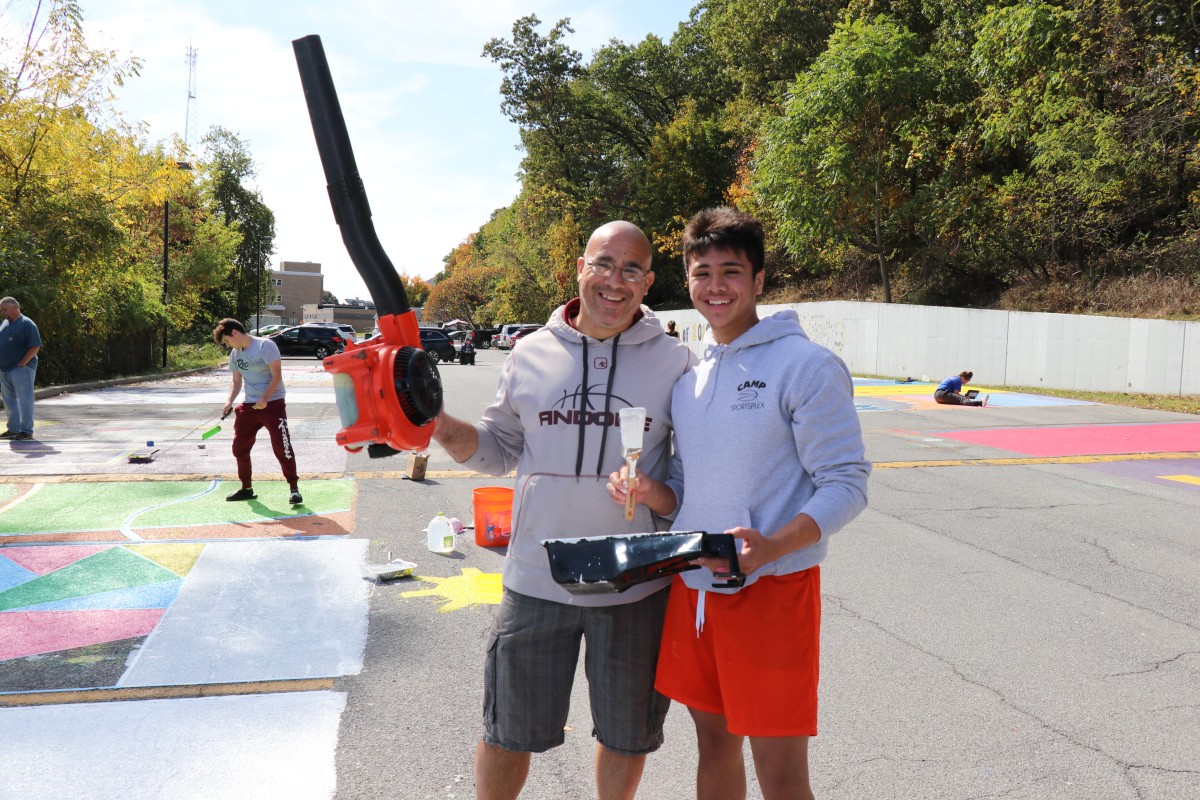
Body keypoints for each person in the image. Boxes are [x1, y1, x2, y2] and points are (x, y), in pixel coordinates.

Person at [609, 207, 870, 800]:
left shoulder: (806, 366)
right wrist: (653, 493)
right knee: (713, 748)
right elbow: (685, 489)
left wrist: (774, 545)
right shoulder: (692, 378)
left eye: (732, 271)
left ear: (758, 281)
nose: (716, 286)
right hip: (696, 588)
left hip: (772, 593)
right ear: (688, 282)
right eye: (703, 273)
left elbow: (847, 482)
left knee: (780, 776)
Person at [431, 220, 694, 800]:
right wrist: (440, 427)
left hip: (636, 584)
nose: (615, 280)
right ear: (580, 268)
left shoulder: (676, 362)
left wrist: (656, 495)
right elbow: (498, 449)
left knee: (627, 736)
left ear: (648, 281)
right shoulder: (529, 352)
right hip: (536, 578)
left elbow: (686, 482)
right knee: (508, 732)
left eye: (631, 269)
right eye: (603, 263)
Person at [212, 318, 303, 506]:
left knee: (282, 447)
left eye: (227, 341)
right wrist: (229, 401)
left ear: (235, 333)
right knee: (239, 448)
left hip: (273, 403)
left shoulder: (265, 346)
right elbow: (236, 382)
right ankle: (246, 488)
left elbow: (277, 375)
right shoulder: (235, 354)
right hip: (249, 406)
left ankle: (294, 489)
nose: (228, 345)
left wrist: (265, 398)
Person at [0, 296, 42, 441]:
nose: (3, 312)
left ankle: (26, 430)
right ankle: (13, 429)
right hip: (4, 368)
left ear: (15, 307)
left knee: (25, 399)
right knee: (8, 400)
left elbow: (35, 346)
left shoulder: (27, 324)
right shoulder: (5, 322)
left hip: (21, 368)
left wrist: (23, 363)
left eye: (5, 309)